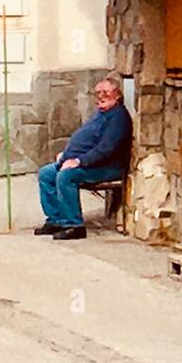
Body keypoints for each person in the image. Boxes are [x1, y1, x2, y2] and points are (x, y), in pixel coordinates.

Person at [35, 75, 132, 240]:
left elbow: (105, 149)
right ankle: (56, 219)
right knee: (46, 173)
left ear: (117, 95)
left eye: (106, 92)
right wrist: (65, 156)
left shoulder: (118, 117)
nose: (101, 96)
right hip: (86, 162)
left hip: (107, 166)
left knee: (66, 176)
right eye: (98, 92)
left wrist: (79, 161)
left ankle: (74, 224)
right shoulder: (101, 113)